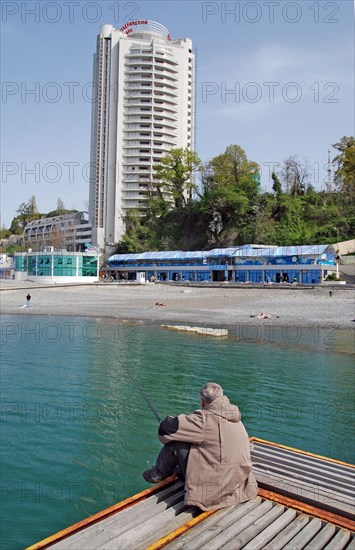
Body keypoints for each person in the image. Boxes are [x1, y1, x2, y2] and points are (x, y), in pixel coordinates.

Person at [143, 382, 257, 511]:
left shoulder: (204, 420)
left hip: (214, 491)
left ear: (202, 402)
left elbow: (166, 429)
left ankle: (158, 474)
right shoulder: (234, 417)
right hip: (240, 485)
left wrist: (168, 421)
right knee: (197, 442)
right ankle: (175, 472)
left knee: (176, 443)